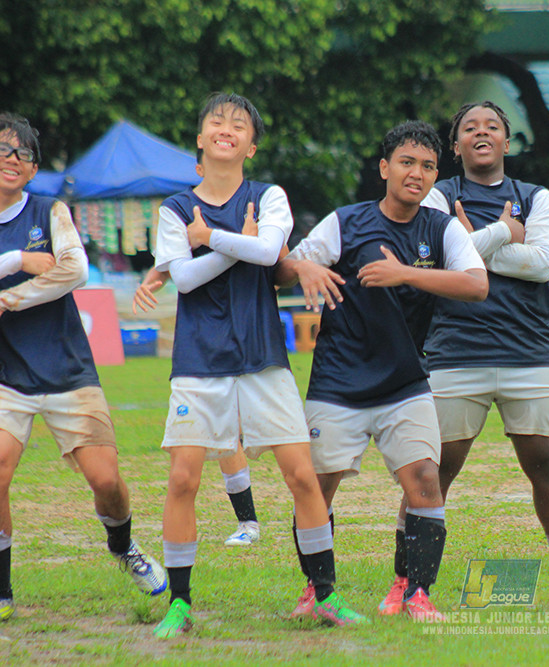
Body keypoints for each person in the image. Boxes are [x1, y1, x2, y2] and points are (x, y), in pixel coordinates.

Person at [378, 101, 549, 613]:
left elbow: (543, 265)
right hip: (454, 351)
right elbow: (429, 261)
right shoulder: (435, 194)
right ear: (454, 147)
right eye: (469, 128)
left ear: (505, 140)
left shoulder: (534, 196)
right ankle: (407, 583)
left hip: (530, 352)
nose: (481, 133)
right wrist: (501, 235)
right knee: (431, 473)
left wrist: (467, 247)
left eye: (492, 127)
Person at [276, 120, 487, 622]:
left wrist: (405, 273)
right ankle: (317, 589)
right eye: (407, 162)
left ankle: (418, 593)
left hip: (404, 382)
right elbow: (281, 270)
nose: (417, 173)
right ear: (384, 167)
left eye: (429, 166)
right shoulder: (346, 222)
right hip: (337, 383)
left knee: (424, 482)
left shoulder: (441, 228)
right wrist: (301, 266)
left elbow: (477, 284)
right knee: (317, 488)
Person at [151, 93, 340, 637]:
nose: (226, 128)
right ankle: (180, 603)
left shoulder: (269, 194)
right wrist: (241, 243)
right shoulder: (174, 207)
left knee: (302, 475)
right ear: (200, 139)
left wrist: (210, 238)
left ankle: (325, 593)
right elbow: (183, 280)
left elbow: (271, 253)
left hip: (262, 358)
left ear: (251, 146)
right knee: (183, 478)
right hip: (198, 361)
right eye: (217, 121)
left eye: (239, 125)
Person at [0, 112, 166, 623]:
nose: (12, 159)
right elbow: (38, 265)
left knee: (107, 482)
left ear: (33, 171)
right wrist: (17, 262)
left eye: (23, 154)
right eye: (4, 149)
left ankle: (123, 546)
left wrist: (10, 300)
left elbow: (74, 270)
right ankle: (2, 590)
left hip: (68, 369)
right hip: (6, 377)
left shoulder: (51, 211)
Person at [134, 269, 262, 547]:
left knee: (232, 430)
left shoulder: (245, 227)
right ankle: (242, 523)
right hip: (198, 342)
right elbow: (168, 260)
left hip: (243, 333)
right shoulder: (185, 228)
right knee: (207, 436)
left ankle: (248, 522)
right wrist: (149, 280)